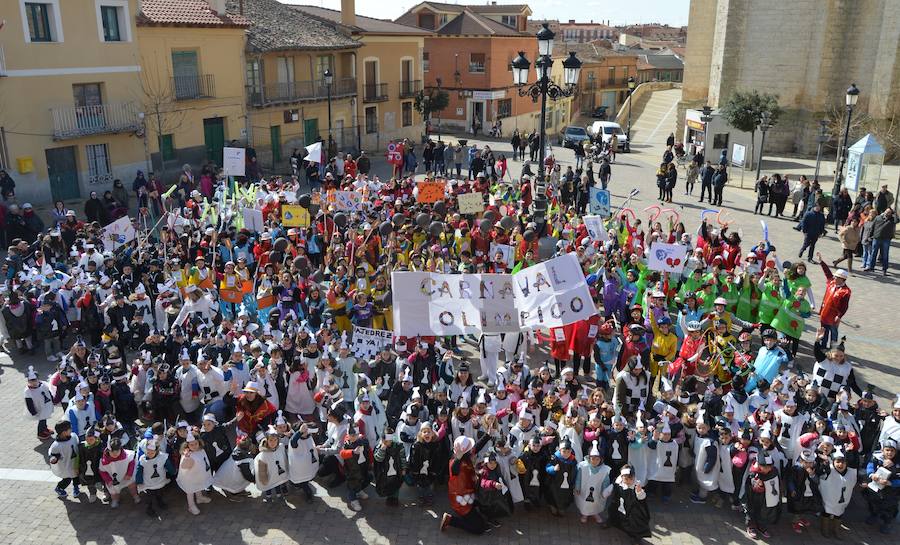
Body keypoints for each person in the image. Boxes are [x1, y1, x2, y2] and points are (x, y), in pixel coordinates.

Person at [864, 207, 897, 275]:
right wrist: (870, 236)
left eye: (889, 212)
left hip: (886, 239)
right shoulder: (878, 217)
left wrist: (895, 214)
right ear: (884, 211)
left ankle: (884, 269)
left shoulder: (892, 219)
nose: (887, 213)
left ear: (891, 213)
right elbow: (873, 227)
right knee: (873, 253)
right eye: (886, 211)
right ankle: (871, 267)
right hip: (876, 238)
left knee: (885, 254)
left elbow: (897, 220)